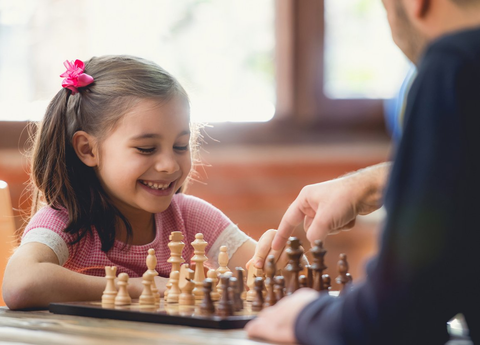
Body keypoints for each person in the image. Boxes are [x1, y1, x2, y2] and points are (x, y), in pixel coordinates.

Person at [246, 0, 480, 343]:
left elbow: (396, 317)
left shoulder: (456, 63)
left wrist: (305, 316)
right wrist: (374, 182)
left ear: (416, 4)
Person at [2, 55, 258, 310]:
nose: (169, 165)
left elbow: (267, 268)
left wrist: (275, 250)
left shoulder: (190, 217)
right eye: (146, 148)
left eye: (180, 146)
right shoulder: (66, 223)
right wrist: (137, 286)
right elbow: (19, 285)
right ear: (88, 150)